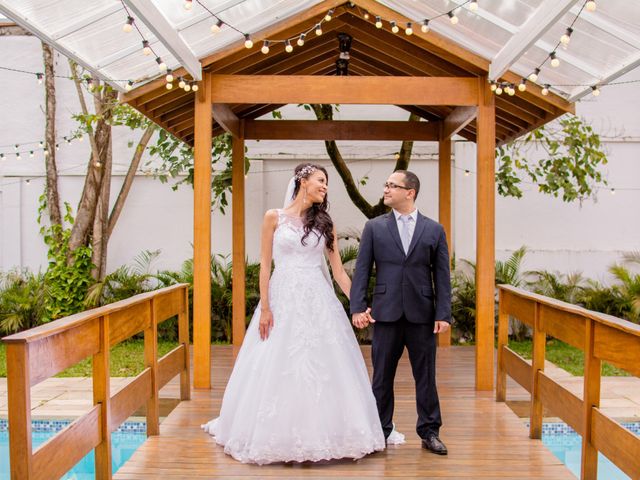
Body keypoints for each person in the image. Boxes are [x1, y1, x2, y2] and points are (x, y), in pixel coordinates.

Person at [202, 163, 401, 465]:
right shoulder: (273, 217)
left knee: (323, 363)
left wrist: (358, 304)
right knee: (276, 361)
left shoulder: (325, 223)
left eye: (327, 183)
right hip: (282, 300)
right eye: (321, 181)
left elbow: (338, 272)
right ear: (303, 181)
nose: (325, 187)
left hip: (317, 300)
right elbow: (265, 266)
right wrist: (266, 307)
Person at [350, 170, 452, 455]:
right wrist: (357, 306)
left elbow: (442, 275)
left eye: (392, 186)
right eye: (386, 185)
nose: (386, 189)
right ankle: (380, 432)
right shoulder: (374, 227)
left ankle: (430, 432)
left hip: (423, 316)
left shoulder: (434, 230)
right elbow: (362, 270)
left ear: (410, 192)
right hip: (385, 313)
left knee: (426, 377)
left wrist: (443, 313)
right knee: (381, 376)